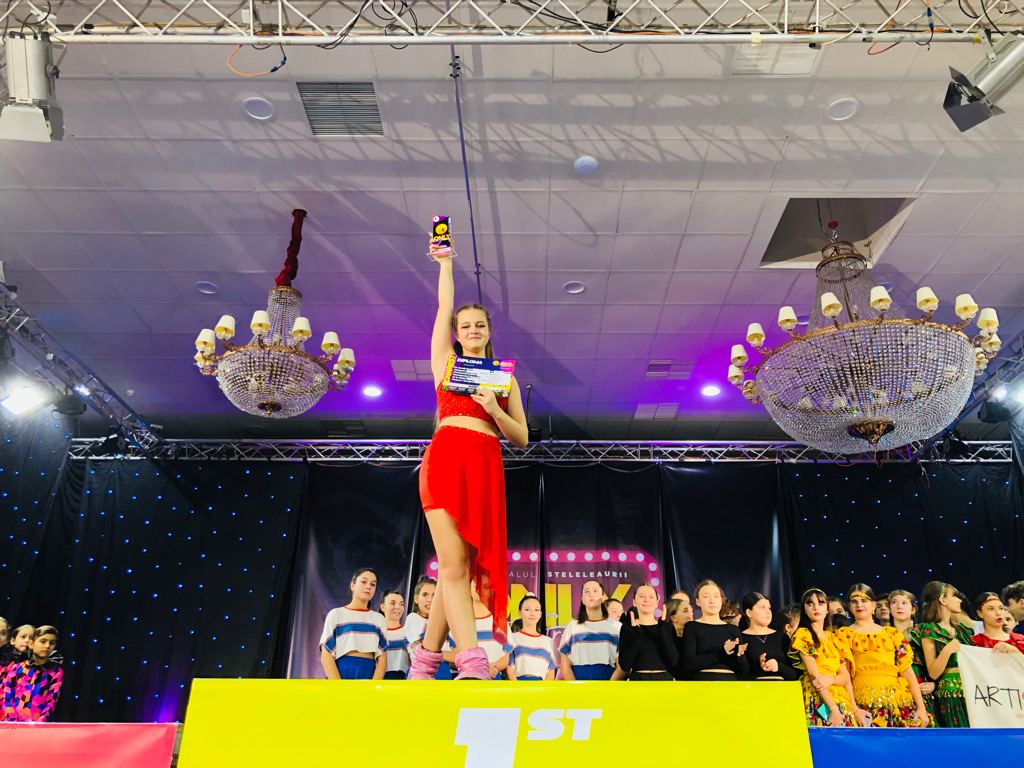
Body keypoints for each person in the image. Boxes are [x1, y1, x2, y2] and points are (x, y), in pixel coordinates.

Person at [411, 233, 528, 681]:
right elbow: (444, 308)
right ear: (457, 334)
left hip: (484, 466)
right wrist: (445, 264)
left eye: (480, 325)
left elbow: (522, 438)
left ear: (489, 331)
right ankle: (473, 661)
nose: (472, 330)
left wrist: (495, 409)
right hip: (445, 461)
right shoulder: (445, 363)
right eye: (465, 326)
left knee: (455, 568)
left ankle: (424, 661)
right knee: (454, 566)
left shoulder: (504, 379)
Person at [836, 583, 930, 727]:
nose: (859, 605)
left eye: (864, 600)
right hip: (863, 703)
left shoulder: (892, 634)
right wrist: (854, 709)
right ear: (849, 606)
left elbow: (907, 672)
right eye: (854, 601)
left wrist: (921, 708)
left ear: (873, 605)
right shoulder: (844, 635)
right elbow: (845, 675)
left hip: (897, 701)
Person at [789, 588, 863, 727]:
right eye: (810, 603)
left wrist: (854, 708)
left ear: (827, 609)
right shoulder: (804, 634)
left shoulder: (833, 638)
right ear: (804, 609)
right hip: (820, 697)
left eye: (820, 603)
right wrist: (833, 709)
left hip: (841, 697)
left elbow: (845, 677)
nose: (816, 607)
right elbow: (814, 675)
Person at [319, 567, 387, 680]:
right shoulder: (336, 614)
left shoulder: (379, 619)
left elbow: (382, 659)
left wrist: (374, 685)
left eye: (373, 584)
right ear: (352, 585)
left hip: (369, 673)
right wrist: (338, 685)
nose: (368, 586)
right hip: (341, 672)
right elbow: (326, 655)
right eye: (363, 582)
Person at [918, 581, 971, 727]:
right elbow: (933, 672)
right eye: (954, 596)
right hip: (950, 696)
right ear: (943, 600)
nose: (960, 600)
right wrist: (947, 650)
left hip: (971, 692)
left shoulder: (963, 631)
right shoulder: (929, 630)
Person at [680, 580, 748, 680]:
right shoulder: (692, 627)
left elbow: (744, 671)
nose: (712, 600)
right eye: (706, 596)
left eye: (716, 596)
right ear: (698, 601)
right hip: (703, 682)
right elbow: (689, 663)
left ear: (721, 600)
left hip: (730, 683)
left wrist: (740, 656)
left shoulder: (733, 629)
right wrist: (721, 653)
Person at [559, 580, 620, 680]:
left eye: (595, 591)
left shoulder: (616, 627)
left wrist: (610, 687)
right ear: (582, 600)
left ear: (603, 598)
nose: (591, 594)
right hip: (579, 685)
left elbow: (622, 666)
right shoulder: (572, 626)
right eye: (587, 591)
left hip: (609, 683)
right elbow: (565, 666)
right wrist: (575, 687)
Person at [614, 584, 678, 681]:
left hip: (665, 680)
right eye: (641, 596)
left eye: (651, 597)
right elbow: (625, 666)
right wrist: (638, 636)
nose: (646, 600)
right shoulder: (627, 628)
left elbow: (674, 661)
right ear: (634, 602)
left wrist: (662, 630)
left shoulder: (666, 626)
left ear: (657, 602)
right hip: (638, 680)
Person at [888, 589, 935, 719]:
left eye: (904, 603)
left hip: (923, 692)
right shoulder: (884, 635)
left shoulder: (923, 634)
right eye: (894, 602)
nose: (899, 606)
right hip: (895, 694)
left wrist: (933, 684)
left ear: (913, 609)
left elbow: (936, 663)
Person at [0, 625, 62, 721]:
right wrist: (13, 720)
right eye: (43, 641)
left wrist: (41, 720)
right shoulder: (15, 669)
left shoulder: (55, 672)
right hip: (13, 723)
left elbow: (52, 701)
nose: (47, 646)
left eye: (52, 643)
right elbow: (7, 697)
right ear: (31, 643)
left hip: (38, 724)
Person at [739, 592, 799, 681]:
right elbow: (739, 675)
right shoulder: (740, 638)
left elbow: (796, 674)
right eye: (762, 607)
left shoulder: (782, 637)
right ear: (749, 612)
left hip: (782, 688)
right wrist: (758, 667)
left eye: (769, 608)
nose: (768, 612)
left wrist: (779, 666)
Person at [405, 576, 454, 680]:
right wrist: (448, 655)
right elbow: (425, 651)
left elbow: (457, 655)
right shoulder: (413, 618)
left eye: (434, 595)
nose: (430, 600)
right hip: (421, 675)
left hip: (445, 675)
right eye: (425, 595)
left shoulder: (446, 624)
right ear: (416, 599)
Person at [508, 595, 556, 681]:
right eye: (527, 609)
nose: (532, 613)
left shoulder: (548, 641)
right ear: (520, 613)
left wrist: (544, 687)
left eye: (536, 610)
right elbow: (509, 669)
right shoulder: (512, 638)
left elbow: (550, 671)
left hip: (541, 687)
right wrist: (517, 687)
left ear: (540, 614)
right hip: (518, 685)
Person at [470, 581, 511, 679]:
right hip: (468, 679)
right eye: (476, 583)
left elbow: (505, 659)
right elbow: (453, 657)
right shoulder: (460, 621)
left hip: (493, 678)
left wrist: (493, 667)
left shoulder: (500, 622)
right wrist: (480, 668)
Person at [380, 591, 410, 680]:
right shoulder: (375, 633)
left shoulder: (408, 633)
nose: (397, 607)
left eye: (401, 604)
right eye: (393, 603)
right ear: (382, 607)